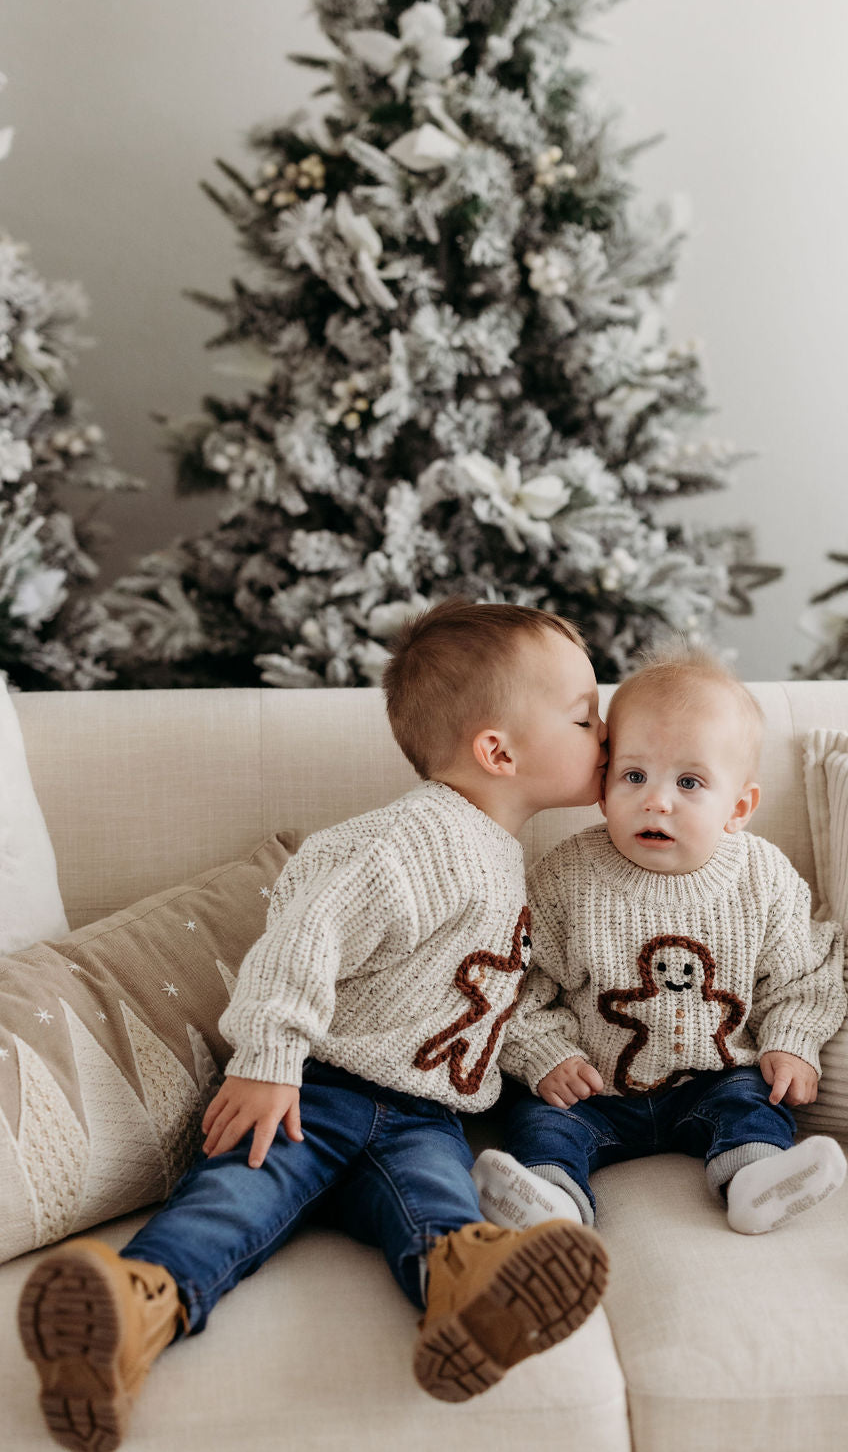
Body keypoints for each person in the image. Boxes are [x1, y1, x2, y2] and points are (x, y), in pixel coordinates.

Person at [18, 599, 611, 1452]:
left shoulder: (504, 858)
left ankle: (469, 1292)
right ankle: (126, 1309)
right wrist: (268, 1058)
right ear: (499, 750)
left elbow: (478, 996)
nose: (605, 730)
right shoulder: (412, 837)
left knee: (439, 1206)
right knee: (232, 1197)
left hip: (423, 1116)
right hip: (319, 1089)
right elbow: (305, 929)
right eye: (586, 715)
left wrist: (538, 1054)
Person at [472, 644, 848, 1238]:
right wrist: (547, 1056)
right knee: (544, 1121)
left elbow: (802, 974)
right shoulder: (564, 877)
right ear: (603, 787)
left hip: (714, 1077)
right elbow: (514, 981)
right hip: (592, 1086)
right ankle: (549, 1198)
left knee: (753, 1105)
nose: (657, 799)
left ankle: (755, 1180)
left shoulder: (764, 878)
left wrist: (794, 1041)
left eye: (690, 782)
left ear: (739, 806)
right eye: (634, 775)